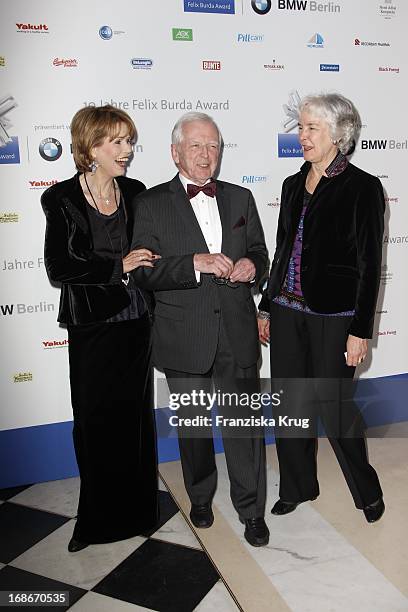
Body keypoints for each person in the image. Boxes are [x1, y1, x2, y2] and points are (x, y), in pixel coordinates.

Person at [131, 112, 269, 546]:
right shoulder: (150, 204)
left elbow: (263, 256)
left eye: (213, 146)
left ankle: (251, 509)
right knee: (193, 427)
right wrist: (193, 263)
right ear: (175, 152)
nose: (206, 155)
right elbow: (144, 274)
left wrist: (252, 268)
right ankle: (201, 497)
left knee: (244, 428)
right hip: (183, 334)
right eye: (196, 146)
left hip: (237, 331)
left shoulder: (241, 198)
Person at [258, 93, 385, 523]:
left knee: (335, 406)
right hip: (288, 310)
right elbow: (282, 251)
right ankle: (297, 486)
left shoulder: (363, 187)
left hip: (335, 317)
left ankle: (366, 490)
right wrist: (266, 306)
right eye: (301, 126)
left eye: (312, 128)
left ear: (339, 134)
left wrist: (360, 329)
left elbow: (370, 264)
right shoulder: (292, 184)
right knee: (290, 403)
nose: (302, 135)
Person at [41, 105, 159, 552]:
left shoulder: (135, 190)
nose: (127, 150)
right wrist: (118, 265)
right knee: (94, 423)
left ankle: (139, 512)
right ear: (91, 147)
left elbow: (150, 247)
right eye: (117, 142)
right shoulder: (61, 198)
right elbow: (60, 266)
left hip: (136, 322)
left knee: (136, 421)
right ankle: (93, 521)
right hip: (92, 324)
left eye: (129, 141)